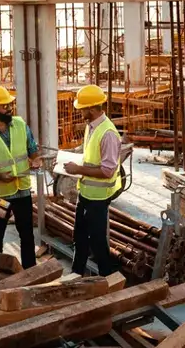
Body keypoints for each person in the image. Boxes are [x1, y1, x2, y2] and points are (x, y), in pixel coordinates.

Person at [0, 85, 42, 269]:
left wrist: (36, 160)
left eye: (10, 105)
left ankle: (31, 273)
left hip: (22, 190)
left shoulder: (20, 125)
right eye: (4, 106)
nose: (9, 109)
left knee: (27, 235)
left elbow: (33, 151)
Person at [61, 84, 121, 277]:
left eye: (82, 108)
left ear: (92, 109)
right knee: (79, 236)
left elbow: (108, 170)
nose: (80, 111)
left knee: (97, 240)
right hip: (86, 193)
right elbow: (90, 157)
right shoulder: (92, 127)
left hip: (99, 196)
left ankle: (107, 277)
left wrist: (78, 169)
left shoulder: (108, 134)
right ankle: (76, 273)